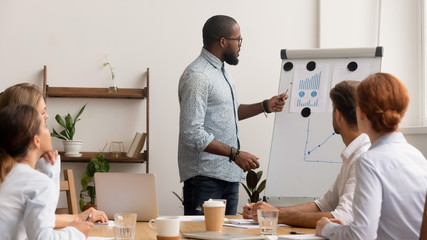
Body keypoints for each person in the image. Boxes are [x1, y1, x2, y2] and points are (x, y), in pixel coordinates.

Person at [178, 15, 288, 215]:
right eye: (238, 39)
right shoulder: (198, 76)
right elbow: (192, 133)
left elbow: (230, 112)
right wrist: (235, 154)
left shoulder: (221, 72)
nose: (240, 45)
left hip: (228, 177)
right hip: (205, 178)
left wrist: (265, 106)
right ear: (222, 41)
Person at [243, 80, 371, 227]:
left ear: (338, 115)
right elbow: (324, 205)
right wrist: (270, 210)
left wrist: (276, 215)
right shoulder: (354, 154)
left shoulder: (363, 157)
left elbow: (343, 218)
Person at [316, 73, 427, 239]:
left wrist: (326, 228)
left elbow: (360, 236)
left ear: (360, 112)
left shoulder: (369, 161)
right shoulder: (417, 156)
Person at [0, 83, 108, 227]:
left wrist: (78, 218)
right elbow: (39, 224)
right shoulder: (15, 175)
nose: (47, 116)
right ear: (24, 118)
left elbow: (39, 216)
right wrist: (77, 221)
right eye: (42, 112)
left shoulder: (32, 165)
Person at [0, 104, 93, 239]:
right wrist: (76, 232)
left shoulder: (10, 173)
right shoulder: (36, 182)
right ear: (36, 140)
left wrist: (48, 167)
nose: (49, 131)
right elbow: (42, 238)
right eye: (45, 126)